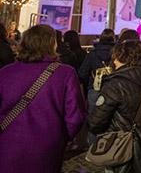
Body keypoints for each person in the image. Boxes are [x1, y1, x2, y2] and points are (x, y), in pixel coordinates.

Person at [0, 25, 86, 172]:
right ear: (52, 44)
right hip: (47, 146)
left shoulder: (5, 72)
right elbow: (75, 116)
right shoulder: (65, 73)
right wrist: (61, 136)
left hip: (8, 143)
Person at [88, 38, 141, 172]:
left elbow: (95, 122)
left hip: (123, 149)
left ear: (122, 57)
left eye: (116, 57)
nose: (114, 61)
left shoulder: (116, 83)